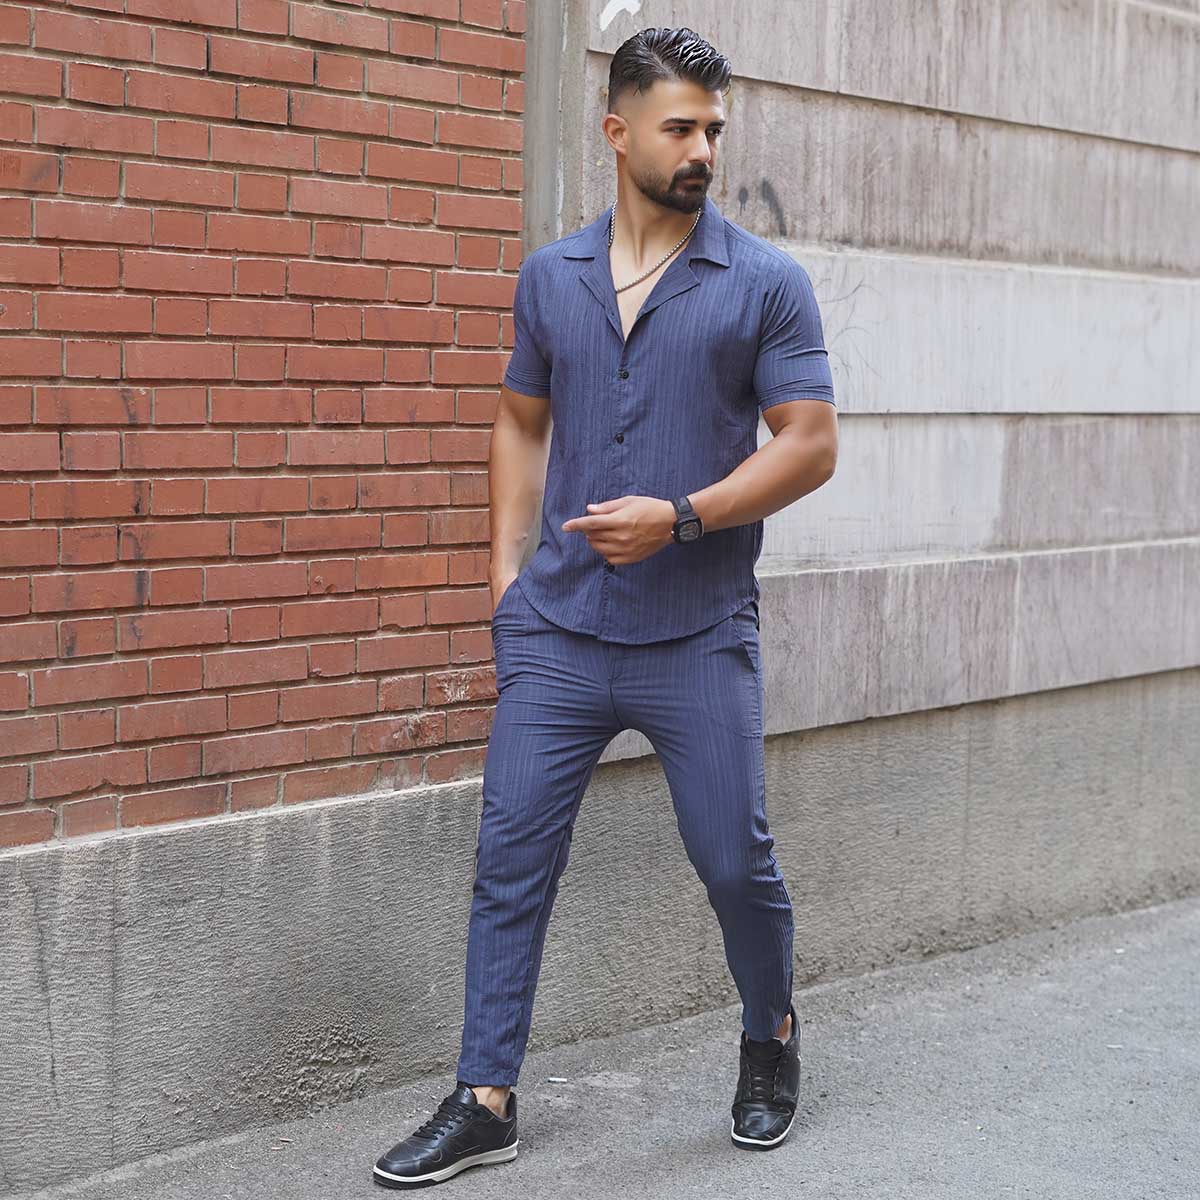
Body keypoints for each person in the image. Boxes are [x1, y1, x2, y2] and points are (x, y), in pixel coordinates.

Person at [372, 25, 838, 1189]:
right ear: (618, 130)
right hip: (559, 633)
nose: (703, 150)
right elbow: (520, 419)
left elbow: (811, 445)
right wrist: (505, 577)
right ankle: (485, 1097)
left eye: (714, 129)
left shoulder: (765, 283)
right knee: (510, 861)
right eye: (681, 128)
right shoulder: (551, 277)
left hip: (699, 632)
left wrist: (682, 517)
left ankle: (771, 1031)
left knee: (733, 863)